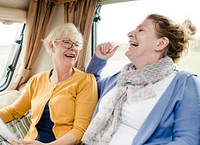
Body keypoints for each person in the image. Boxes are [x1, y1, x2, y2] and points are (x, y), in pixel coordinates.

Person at [82, 14, 200, 145]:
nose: (130, 34)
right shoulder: (121, 78)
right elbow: (89, 85)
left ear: (160, 43)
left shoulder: (183, 83)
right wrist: (99, 59)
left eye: (141, 30)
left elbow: (188, 140)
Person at [0, 23, 98, 145]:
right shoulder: (37, 80)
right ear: (52, 46)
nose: (73, 48)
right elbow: (14, 111)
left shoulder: (86, 81)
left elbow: (81, 129)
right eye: (67, 42)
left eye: (77, 44)